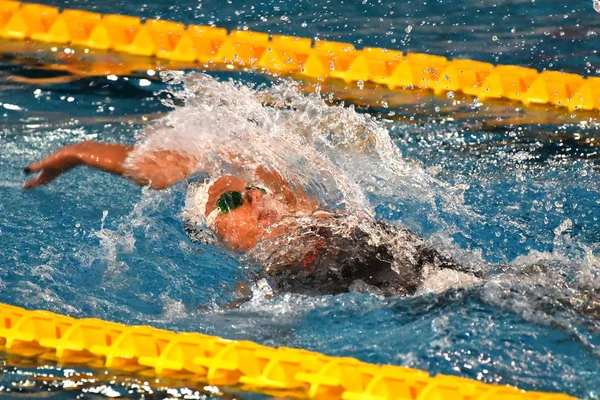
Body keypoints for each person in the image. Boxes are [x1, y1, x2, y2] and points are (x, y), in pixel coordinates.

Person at [23, 140, 481, 297]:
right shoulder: (266, 284)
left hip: (402, 256)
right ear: (215, 239)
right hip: (373, 292)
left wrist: (79, 154)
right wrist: (77, 153)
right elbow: (160, 169)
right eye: (228, 204)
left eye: (254, 191)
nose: (254, 200)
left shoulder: (304, 211)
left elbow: (176, 161)